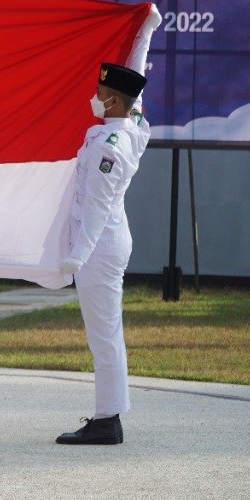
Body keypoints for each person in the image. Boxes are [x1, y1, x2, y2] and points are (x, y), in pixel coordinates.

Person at [55, 63, 151, 446]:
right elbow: (138, 94)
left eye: (100, 91)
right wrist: (142, 35)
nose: (95, 96)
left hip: (98, 248)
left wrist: (77, 256)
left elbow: (96, 206)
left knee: (104, 335)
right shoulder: (134, 129)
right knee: (107, 332)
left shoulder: (108, 149)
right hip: (108, 242)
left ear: (112, 100)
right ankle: (109, 416)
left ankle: (107, 420)